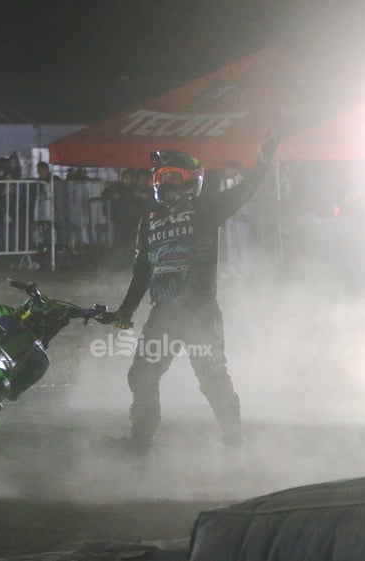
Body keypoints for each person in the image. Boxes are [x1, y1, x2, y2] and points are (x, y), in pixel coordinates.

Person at [108, 135, 278, 456]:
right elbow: (143, 269)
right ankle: (139, 444)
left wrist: (263, 162)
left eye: (174, 176)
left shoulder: (206, 208)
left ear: (191, 180)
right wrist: (126, 310)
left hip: (200, 312)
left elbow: (244, 192)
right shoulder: (150, 220)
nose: (167, 182)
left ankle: (233, 442)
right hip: (163, 315)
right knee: (142, 376)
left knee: (212, 378)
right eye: (162, 177)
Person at [220, 160, 253, 278]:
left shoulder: (242, 181)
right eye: (226, 169)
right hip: (230, 217)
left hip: (241, 216)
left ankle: (243, 269)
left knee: (242, 244)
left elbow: (245, 199)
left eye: (230, 169)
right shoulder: (223, 182)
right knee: (231, 243)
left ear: (235, 169)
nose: (227, 171)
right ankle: (232, 269)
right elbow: (222, 197)